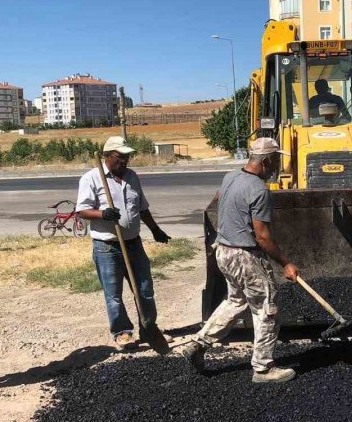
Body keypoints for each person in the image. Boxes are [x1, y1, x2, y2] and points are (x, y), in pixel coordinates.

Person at [183, 137, 300, 384]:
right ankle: (263, 369)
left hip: (223, 251)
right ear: (267, 160)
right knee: (267, 307)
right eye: (276, 159)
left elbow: (220, 198)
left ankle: (198, 344)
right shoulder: (258, 190)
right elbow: (263, 238)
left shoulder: (230, 177)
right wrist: (286, 263)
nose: (278, 164)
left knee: (235, 301)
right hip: (243, 256)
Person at [76, 136, 172, 353]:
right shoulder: (92, 178)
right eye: (120, 157)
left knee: (145, 289)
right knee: (114, 294)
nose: (125, 161)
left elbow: (142, 208)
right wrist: (102, 213)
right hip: (107, 247)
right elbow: (81, 210)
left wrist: (156, 230)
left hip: (134, 243)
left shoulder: (132, 177)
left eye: (127, 156)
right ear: (107, 156)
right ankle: (122, 332)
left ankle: (148, 327)